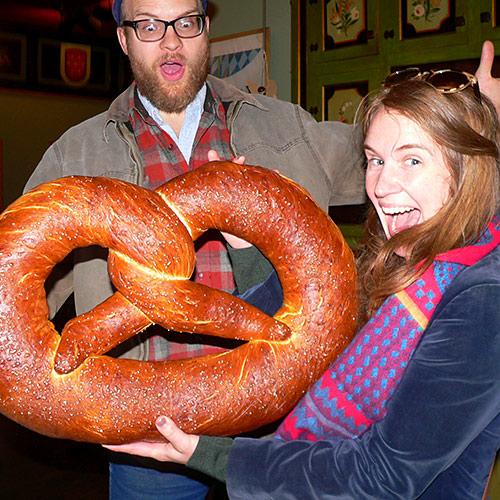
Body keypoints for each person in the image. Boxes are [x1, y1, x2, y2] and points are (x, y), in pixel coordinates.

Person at [24, 0, 368, 497]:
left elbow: (396, 161)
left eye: (186, 22)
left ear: (206, 31)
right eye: (149, 25)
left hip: (279, 425)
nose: (170, 40)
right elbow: (22, 285)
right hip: (152, 437)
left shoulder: (287, 129)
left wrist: (481, 119)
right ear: (123, 39)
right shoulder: (75, 154)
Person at [104, 70, 500, 499]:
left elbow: (384, 476)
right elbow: (300, 345)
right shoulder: (396, 263)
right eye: (375, 160)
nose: (381, 186)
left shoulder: (482, 299)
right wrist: (247, 245)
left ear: (468, 170)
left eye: (413, 160)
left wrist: (214, 455)